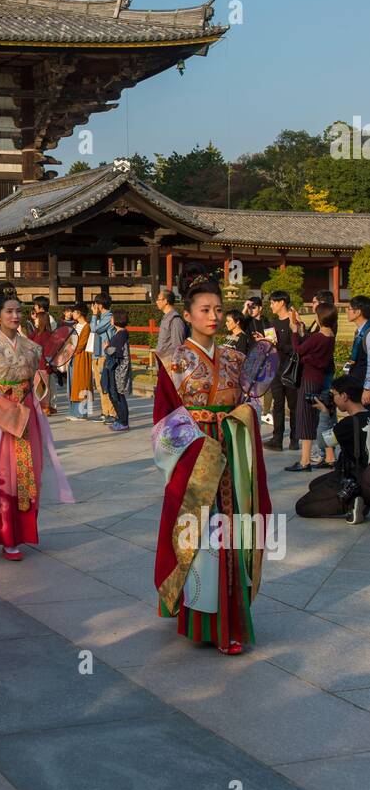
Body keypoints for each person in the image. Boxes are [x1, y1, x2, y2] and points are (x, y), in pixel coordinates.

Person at [152, 280, 273, 654]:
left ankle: (229, 621)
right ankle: (203, 617)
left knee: (232, 531)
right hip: (195, 455)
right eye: (205, 310)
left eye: (219, 310)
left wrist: (243, 414)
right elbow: (163, 419)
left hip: (232, 451)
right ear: (186, 315)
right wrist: (195, 452)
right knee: (199, 534)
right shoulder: (172, 362)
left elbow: (251, 404)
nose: (214, 316)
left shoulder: (237, 359)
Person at [0, 288, 73, 561]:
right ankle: (6, 534)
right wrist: (2, 405)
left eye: (18, 311)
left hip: (27, 416)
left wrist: (38, 392)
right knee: (3, 475)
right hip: (2, 417)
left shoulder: (32, 347)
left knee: (29, 475)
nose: (15, 316)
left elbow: (39, 383)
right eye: (9, 311)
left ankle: (24, 531)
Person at [295, 378, 369, 522]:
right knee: (315, 485)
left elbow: (323, 442)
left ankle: (353, 504)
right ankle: (358, 500)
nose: (332, 399)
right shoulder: (367, 415)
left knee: (302, 506)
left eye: (334, 395)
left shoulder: (348, 424)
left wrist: (324, 413)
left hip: (352, 479)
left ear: (345, 396)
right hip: (365, 475)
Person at [285, 302, 337, 473]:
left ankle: (305, 461)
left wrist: (294, 332)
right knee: (325, 420)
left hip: (309, 379)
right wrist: (301, 328)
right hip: (322, 379)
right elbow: (309, 345)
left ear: (320, 316)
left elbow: (299, 350)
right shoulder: (330, 335)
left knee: (306, 419)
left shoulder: (318, 337)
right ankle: (330, 457)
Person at [263, 291, 299, 452]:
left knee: (293, 406)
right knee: (277, 405)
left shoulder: (294, 322)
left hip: (291, 370)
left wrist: (278, 345)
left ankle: (294, 439)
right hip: (276, 370)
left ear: (282, 302)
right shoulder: (273, 323)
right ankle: (277, 439)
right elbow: (271, 347)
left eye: (273, 302)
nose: (271, 306)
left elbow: (296, 348)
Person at [102, 309, 132, 431]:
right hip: (117, 369)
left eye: (112, 317)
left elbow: (116, 353)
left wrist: (107, 347)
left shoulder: (120, 335)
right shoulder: (120, 334)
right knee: (115, 395)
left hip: (118, 371)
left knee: (118, 396)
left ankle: (123, 422)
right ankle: (120, 420)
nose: (111, 319)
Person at [90, 294, 116, 422]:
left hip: (105, 355)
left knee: (107, 385)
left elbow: (94, 329)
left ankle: (112, 413)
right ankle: (105, 412)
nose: (94, 307)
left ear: (100, 305)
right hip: (97, 354)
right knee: (100, 386)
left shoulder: (109, 317)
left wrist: (94, 315)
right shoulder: (102, 317)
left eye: (95, 304)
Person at [67, 303, 93, 419]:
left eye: (74, 312)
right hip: (74, 356)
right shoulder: (75, 326)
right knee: (74, 383)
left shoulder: (87, 326)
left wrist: (73, 351)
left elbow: (81, 344)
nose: (72, 314)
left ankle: (82, 413)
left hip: (82, 357)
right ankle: (74, 412)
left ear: (79, 313)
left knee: (82, 383)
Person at [155, 290, 186, 359]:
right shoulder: (166, 318)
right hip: (162, 361)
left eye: (158, 299)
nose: (156, 302)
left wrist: (174, 367)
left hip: (169, 364)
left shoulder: (175, 320)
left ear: (165, 301)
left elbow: (178, 346)